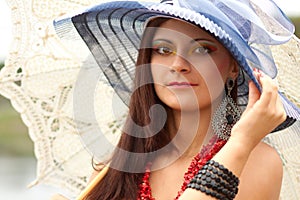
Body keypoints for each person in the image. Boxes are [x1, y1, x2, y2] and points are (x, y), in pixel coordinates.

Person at [52, 0, 300, 199]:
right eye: (163, 50)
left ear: (233, 67)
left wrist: (243, 140)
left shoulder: (255, 161)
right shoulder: (114, 169)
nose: (178, 65)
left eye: (202, 49)